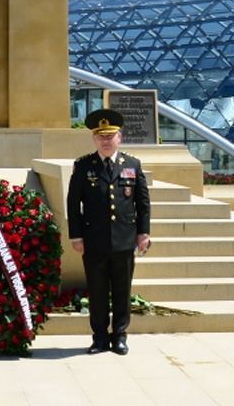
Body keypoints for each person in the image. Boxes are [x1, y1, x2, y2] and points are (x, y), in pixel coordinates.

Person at [66, 108, 151, 355]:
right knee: (98, 291)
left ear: (119, 137)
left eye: (110, 136)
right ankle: (100, 338)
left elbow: (142, 203)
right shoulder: (83, 166)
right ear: (94, 139)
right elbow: (73, 203)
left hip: (124, 240)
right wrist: (76, 235)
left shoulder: (132, 165)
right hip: (94, 240)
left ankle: (120, 336)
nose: (105, 141)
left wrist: (143, 233)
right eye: (100, 136)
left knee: (122, 291)